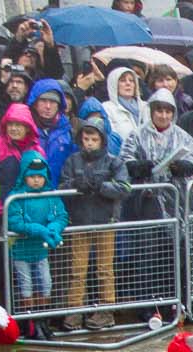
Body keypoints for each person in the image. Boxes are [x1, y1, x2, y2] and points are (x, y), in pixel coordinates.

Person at [54, 112, 126, 330]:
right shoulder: (73, 161)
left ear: (102, 140)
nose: (89, 143)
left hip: (105, 220)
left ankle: (105, 310)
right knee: (78, 270)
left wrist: (102, 187)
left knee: (104, 268)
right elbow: (62, 188)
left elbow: (124, 187)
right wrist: (77, 185)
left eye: (94, 139)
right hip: (80, 221)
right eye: (86, 139)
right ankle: (75, 311)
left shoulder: (114, 161)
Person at [2, 149, 62, 324]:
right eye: (32, 176)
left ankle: (42, 319)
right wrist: (38, 229)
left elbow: (62, 215)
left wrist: (54, 228)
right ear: (24, 176)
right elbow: (14, 222)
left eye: (40, 176)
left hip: (41, 250)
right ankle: (29, 322)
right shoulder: (15, 196)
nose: (36, 180)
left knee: (45, 282)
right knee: (25, 284)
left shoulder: (51, 195)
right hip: (21, 250)